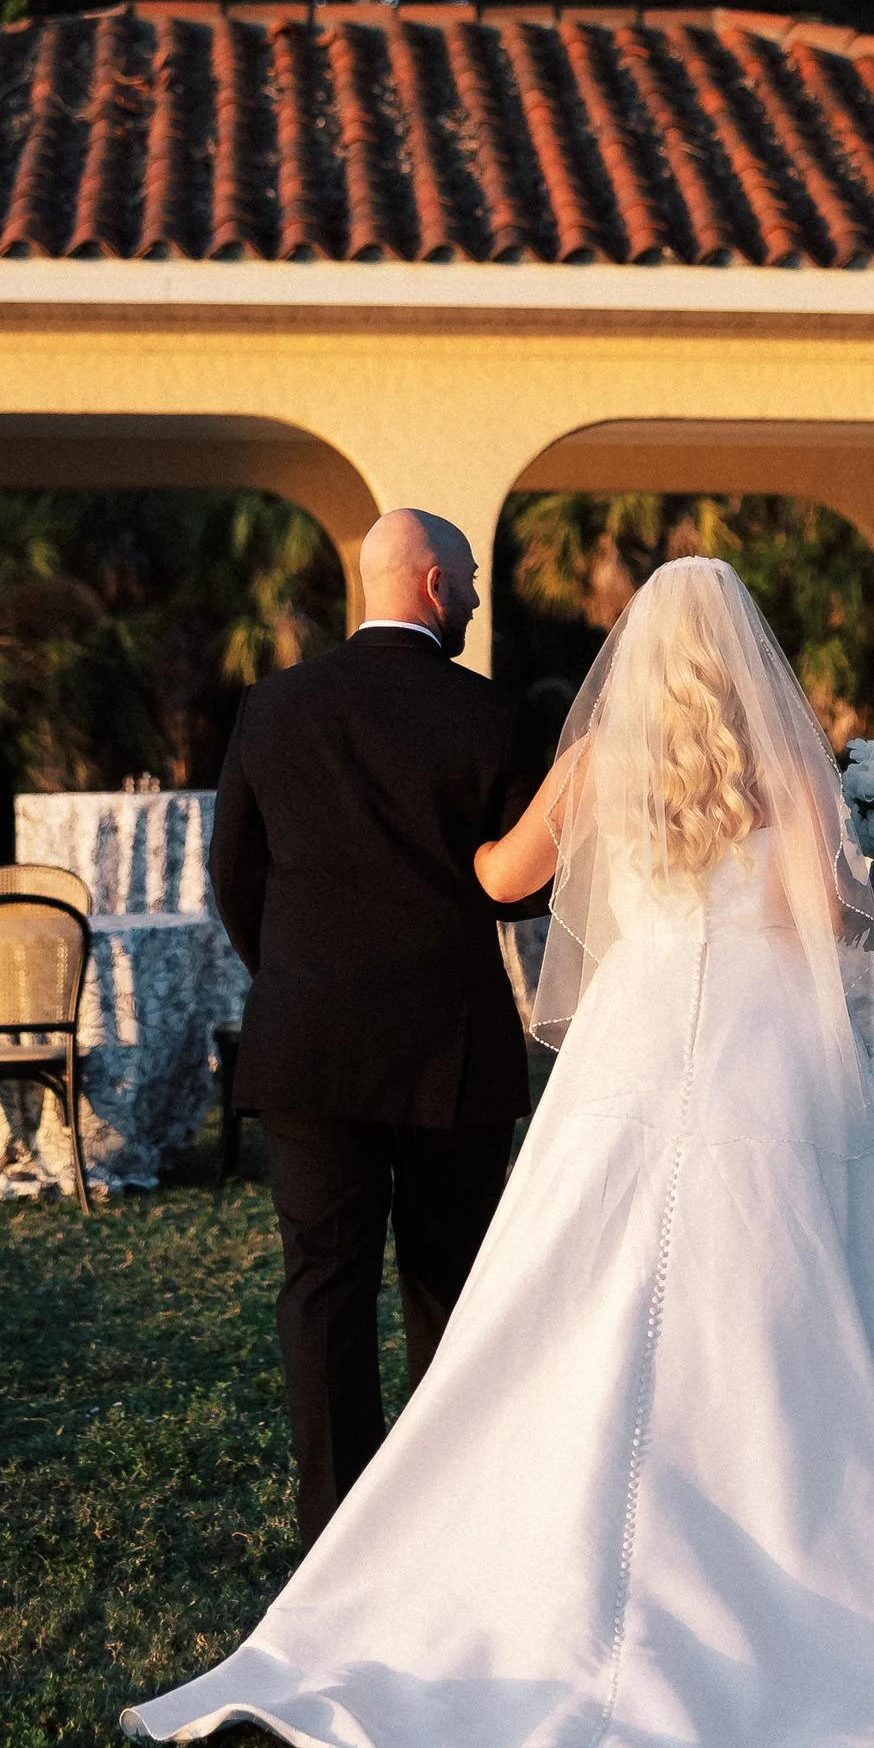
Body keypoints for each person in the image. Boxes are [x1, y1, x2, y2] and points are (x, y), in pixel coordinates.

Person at [130, 554, 874, 1748]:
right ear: (743, 652)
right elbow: (827, 919)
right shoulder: (787, 764)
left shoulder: (590, 763)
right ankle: (787, 1559)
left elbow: (498, 879)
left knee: (574, 1291)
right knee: (767, 1304)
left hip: (629, 1047)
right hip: (758, 1051)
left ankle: (524, 1560)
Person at [206, 505, 542, 1548]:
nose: (480, 599)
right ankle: (444, 1526)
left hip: (306, 1042)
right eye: (474, 581)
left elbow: (233, 874)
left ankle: (332, 1532)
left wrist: (298, 979)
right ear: (436, 586)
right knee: (448, 1287)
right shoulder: (488, 714)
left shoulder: (273, 706)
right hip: (450, 1046)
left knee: (321, 1287)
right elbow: (521, 892)